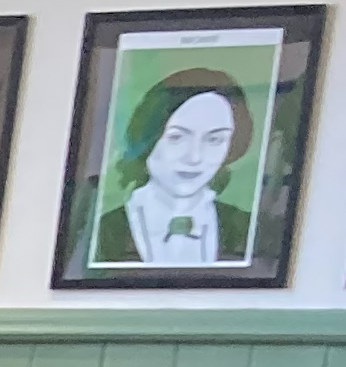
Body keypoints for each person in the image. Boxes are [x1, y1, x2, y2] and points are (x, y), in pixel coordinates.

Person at [87, 67, 253, 270]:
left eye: (215, 139)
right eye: (177, 137)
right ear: (148, 137)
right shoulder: (100, 231)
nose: (194, 157)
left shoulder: (249, 229)